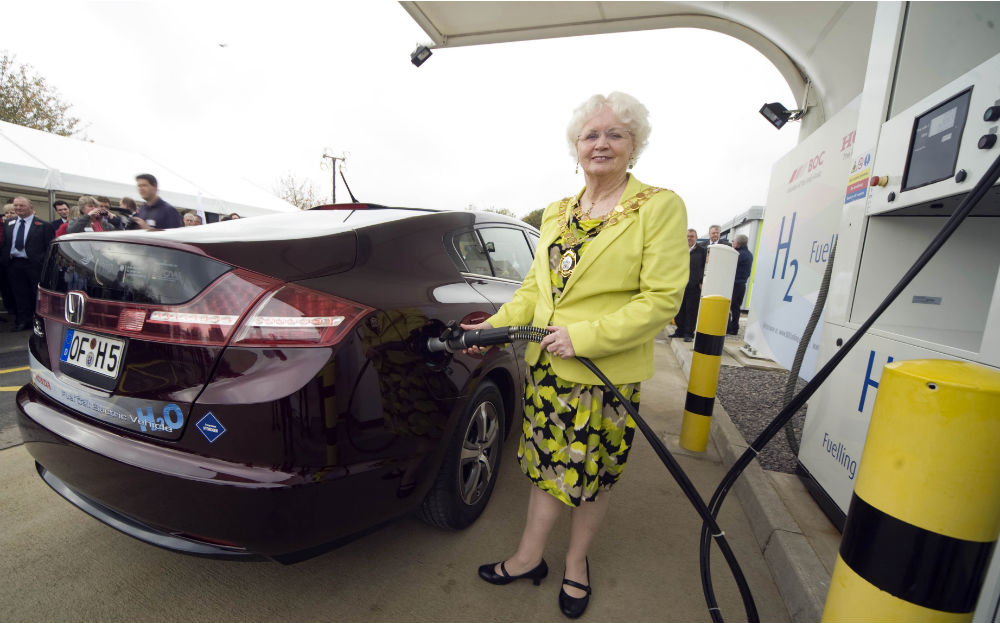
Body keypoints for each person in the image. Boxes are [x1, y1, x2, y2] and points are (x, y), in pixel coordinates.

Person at [466, 92, 688, 619]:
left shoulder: (658, 206)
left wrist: (583, 337)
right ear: (576, 147)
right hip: (548, 371)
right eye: (591, 135)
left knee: (590, 478)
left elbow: (661, 300)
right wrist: (489, 328)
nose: (601, 144)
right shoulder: (558, 212)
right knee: (544, 470)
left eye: (615, 134)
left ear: (635, 146)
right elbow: (533, 292)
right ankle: (527, 558)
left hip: (602, 375)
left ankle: (576, 565)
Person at [1, 197, 54, 331]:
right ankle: (23, 321)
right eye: (16, 206)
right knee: (19, 294)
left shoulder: (43, 225)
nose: (18, 208)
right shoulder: (8, 223)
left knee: (36, 295)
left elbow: (49, 247)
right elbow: (6, 243)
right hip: (14, 264)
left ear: (30, 207)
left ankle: (39, 322)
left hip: (34, 265)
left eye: (21, 205)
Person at [671, 228, 707, 343]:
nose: (689, 238)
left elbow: (706, 268)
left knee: (691, 310)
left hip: (694, 286)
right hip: (679, 285)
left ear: (696, 238)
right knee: (678, 309)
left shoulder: (702, 251)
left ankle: (688, 333)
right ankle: (679, 331)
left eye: (691, 236)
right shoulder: (679, 250)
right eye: (687, 236)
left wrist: (701, 282)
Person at [58, 196, 130, 236]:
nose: (94, 208)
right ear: (82, 209)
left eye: (95, 206)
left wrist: (114, 220)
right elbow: (71, 231)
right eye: (90, 206)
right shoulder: (76, 220)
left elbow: (118, 234)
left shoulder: (102, 222)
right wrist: (88, 216)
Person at [728, 234, 753, 336]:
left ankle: (729, 328)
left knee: (729, 306)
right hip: (741, 284)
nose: (732, 243)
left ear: (738, 243)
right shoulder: (748, 254)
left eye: (733, 241)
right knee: (736, 307)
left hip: (735, 284)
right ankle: (734, 328)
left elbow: (729, 266)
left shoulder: (738, 254)